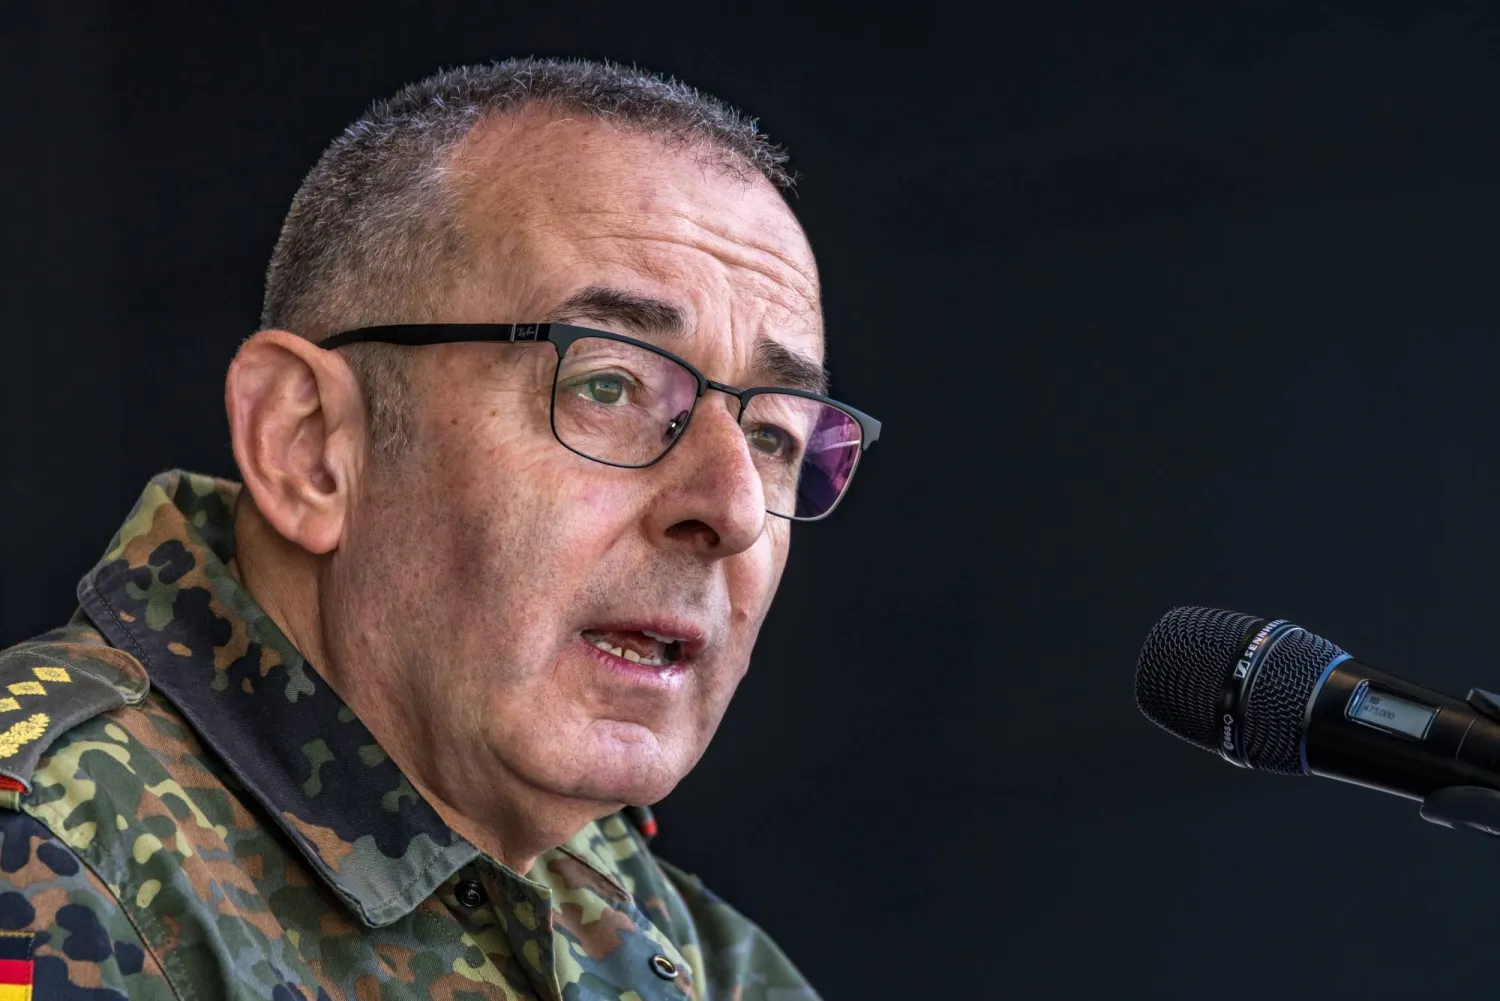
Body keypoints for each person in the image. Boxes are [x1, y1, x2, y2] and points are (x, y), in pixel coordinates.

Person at [0, 58, 879, 1000]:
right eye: (609, 385)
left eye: (773, 434)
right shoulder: (43, 860)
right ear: (309, 446)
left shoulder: (670, 936)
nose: (735, 507)